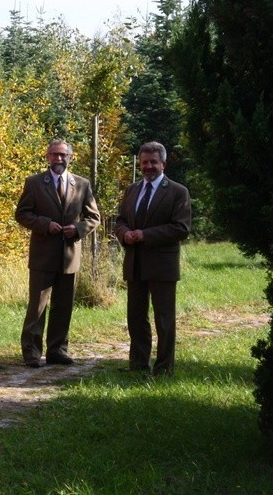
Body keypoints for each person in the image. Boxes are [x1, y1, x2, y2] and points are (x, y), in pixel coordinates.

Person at [15, 139, 100, 367]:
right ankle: (32, 352)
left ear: (70, 157)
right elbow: (22, 214)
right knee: (38, 306)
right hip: (43, 255)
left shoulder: (81, 184)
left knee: (64, 306)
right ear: (47, 157)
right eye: (54, 155)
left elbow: (94, 217)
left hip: (70, 256)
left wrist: (78, 229)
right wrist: (44, 224)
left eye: (62, 155)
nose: (58, 159)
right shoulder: (34, 183)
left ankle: (57, 350)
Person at [114, 141, 191, 376]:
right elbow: (119, 220)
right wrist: (124, 233)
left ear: (163, 164)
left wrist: (145, 235)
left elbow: (181, 228)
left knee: (164, 319)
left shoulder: (178, 192)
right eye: (144, 162)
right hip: (135, 262)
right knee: (135, 316)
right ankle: (138, 364)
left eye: (153, 162)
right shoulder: (132, 190)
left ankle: (164, 367)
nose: (148, 166)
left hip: (162, 265)